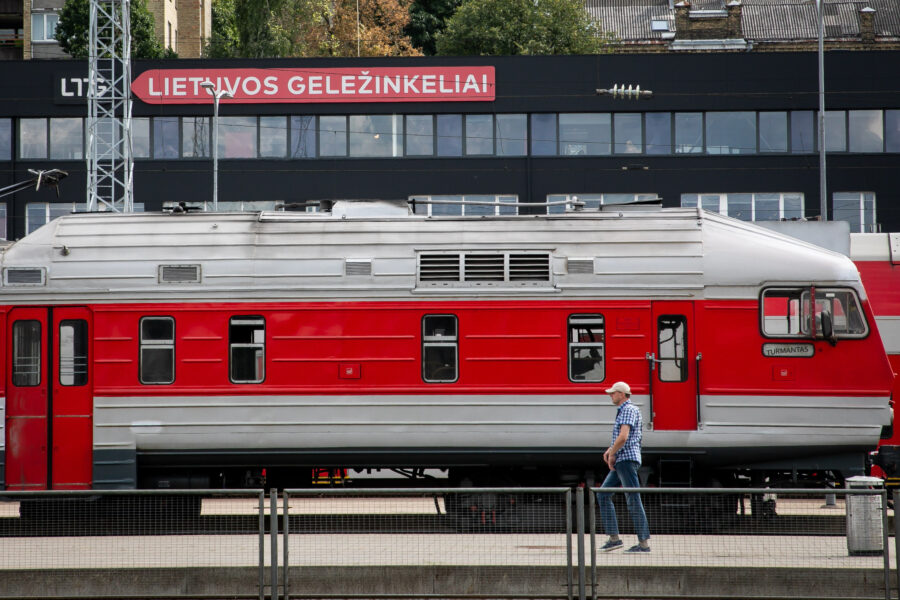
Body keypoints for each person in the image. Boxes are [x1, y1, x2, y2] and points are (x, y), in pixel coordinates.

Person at [597, 381, 650, 553]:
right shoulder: (626, 410)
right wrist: (610, 450)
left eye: (613, 393)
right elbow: (621, 438)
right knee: (603, 494)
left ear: (621, 394)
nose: (610, 395)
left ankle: (643, 544)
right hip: (622, 459)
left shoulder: (627, 409)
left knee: (633, 499)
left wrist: (612, 453)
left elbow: (624, 437)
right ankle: (614, 539)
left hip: (626, 460)